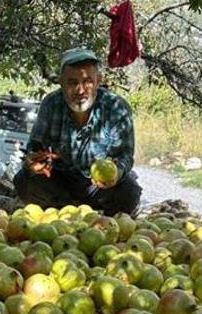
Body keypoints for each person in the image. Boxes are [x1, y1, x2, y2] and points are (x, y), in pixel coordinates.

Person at [13, 47, 142, 216]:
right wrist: (35, 162)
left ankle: (107, 220)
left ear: (98, 81)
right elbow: (36, 147)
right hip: (61, 182)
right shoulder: (51, 104)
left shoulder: (116, 107)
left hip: (98, 187)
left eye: (88, 81)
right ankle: (62, 212)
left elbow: (125, 156)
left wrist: (116, 174)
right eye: (72, 83)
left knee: (129, 191)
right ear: (61, 83)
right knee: (24, 180)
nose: (80, 91)